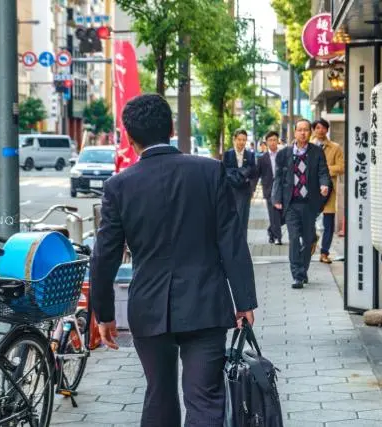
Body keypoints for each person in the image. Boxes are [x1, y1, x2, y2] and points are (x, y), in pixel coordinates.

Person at [90, 94, 257, 427]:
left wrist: (104, 313)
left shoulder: (119, 186)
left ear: (131, 138)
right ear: (170, 128)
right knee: (206, 398)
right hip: (205, 303)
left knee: (159, 393)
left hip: (149, 306)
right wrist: (244, 301)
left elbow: (104, 255)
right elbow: (231, 240)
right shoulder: (210, 171)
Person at [272, 119, 331, 289]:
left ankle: (303, 269)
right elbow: (278, 178)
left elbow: (323, 172)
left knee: (309, 239)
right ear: (295, 132)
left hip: (309, 204)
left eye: (306, 130)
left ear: (310, 132)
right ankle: (297, 275)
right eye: (300, 130)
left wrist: (324, 184)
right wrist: (276, 199)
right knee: (293, 238)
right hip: (291, 204)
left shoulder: (317, 152)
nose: (303, 133)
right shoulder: (284, 154)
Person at [311, 118, 345, 264]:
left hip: (329, 190)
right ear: (313, 129)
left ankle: (324, 253)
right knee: (308, 220)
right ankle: (312, 239)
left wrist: (324, 170)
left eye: (323, 127)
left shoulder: (335, 147)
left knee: (329, 223)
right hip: (311, 189)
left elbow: (342, 167)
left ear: (327, 129)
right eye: (317, 128)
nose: (320, 130)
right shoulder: (308, 146)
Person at [223, 129, 256, 236]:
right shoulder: (227, 154)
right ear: (234, 139)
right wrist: (242, 172)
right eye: (239, 139)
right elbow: (225, 171)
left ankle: (242, 243)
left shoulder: (250, 155)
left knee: (243, 218)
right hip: (231, 190)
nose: (241, 142)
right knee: (232, 217)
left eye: (244, 140)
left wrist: (238, 173)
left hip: (245, 191)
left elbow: (253, 172)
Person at [255, 131, 283, 245]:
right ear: (266, 142)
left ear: (278, 141)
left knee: (283, 215)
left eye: (274, 140)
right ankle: (277, 237)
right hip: (269, 190)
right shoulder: (262, 158)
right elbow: (257, 174)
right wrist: (252, 190)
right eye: (270, 140)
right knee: (273, 214)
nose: (272, 142)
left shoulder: (283, 155)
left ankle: (271, 230)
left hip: (282, 189)